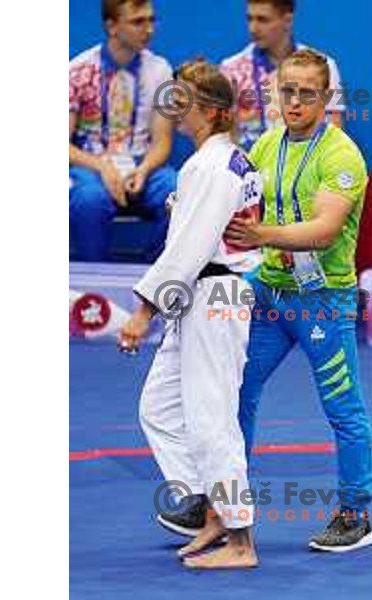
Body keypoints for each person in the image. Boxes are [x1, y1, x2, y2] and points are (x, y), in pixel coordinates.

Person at [224, 49, 372, 553]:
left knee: (342, 406)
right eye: (286, 91)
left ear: (327, 98)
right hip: (270, 295)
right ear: (274, 92)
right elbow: (228, 194)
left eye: (307, 93)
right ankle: (225, 504)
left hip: (323, 301)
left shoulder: (343, 156)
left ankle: (355, 515)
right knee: (235, 390)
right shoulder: (265, 144)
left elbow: (325, 230)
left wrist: (259, 234)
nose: (294, 102)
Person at [118, 60, 262, 569]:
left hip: (215, 295)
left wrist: (142, 314)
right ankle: (212, 508)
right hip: (202, 297)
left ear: (212, 112)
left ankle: (241, 540)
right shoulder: (222, 162)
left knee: (211, 417)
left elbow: (187, 251)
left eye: (185, 101)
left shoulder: (210, 166)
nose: (175, 110)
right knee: (158, 408)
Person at [70, 0, 177, 262]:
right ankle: (94, 289)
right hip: (91, 167)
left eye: (152, 20)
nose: (149, 29)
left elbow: (162, 141)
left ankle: (153, 280)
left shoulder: (161, 70)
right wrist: (103, 168)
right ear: (112, 26)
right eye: (138, 22)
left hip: (142, 163)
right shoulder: (78, 70)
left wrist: (143, 170)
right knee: (89, 200)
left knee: (179, 193)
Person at [221, 0, 345, 151]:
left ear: (288, 20)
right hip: (251, 166)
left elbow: (334, 129)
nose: (253, 28)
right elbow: (224, 135)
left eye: (263, 20)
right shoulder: (230, 69)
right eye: (250, 18)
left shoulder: (325, 66)